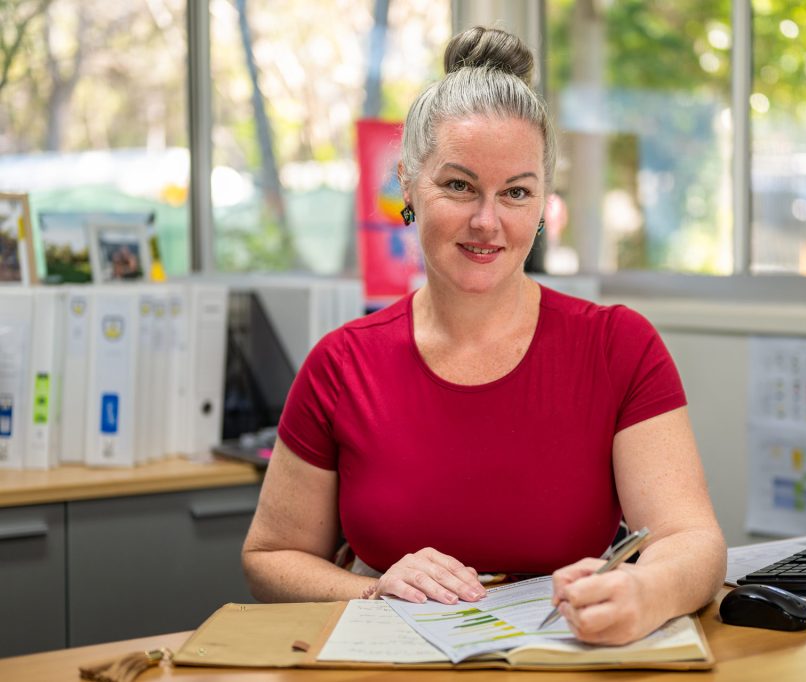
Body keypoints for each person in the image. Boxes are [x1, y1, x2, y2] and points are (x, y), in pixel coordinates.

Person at [241, 25, 726, 646]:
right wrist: (372, 589)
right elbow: (270, 556)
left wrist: (646, 591)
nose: (487, 222)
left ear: (543, 203)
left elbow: (691, 538)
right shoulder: (341, 364)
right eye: (459, 185)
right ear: (408, 186)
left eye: (516, 192)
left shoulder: (619, 347)